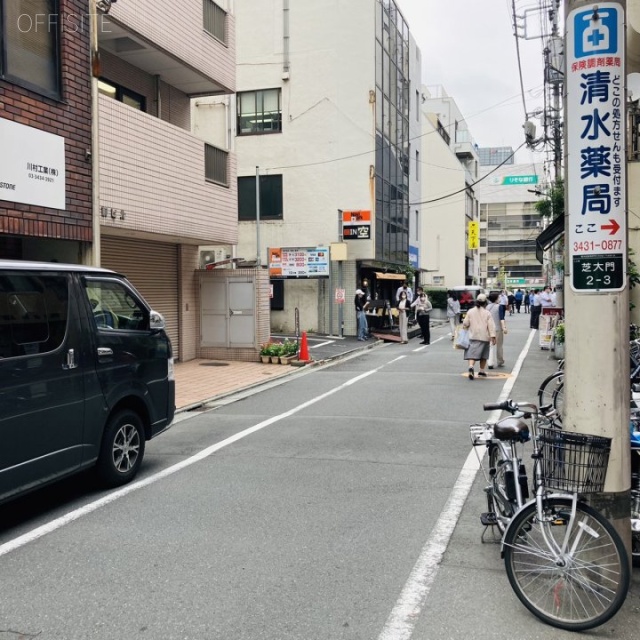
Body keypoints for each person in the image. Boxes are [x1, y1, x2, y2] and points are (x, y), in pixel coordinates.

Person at [462, 293, 496, 380]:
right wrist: (493, 336)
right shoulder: (487, 313)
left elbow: (465, 323)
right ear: (485, 303)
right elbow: (491, 326)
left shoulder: (470, 311)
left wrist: (465, 327)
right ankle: (481, 370)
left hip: (472, 336)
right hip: (484, 337)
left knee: (472, 354)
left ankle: (471, 366)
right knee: (484, 355)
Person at [486, 292, 507, 368]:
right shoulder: (499, 307)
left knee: (490, 346)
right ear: (496, 299)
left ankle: (490, 363)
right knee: (499, 345)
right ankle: (500, 361)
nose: (500, 299)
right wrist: (504, 328)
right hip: (497, 329)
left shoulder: (487, 307)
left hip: (489, 329)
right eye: (498, 297)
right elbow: (502, 318)